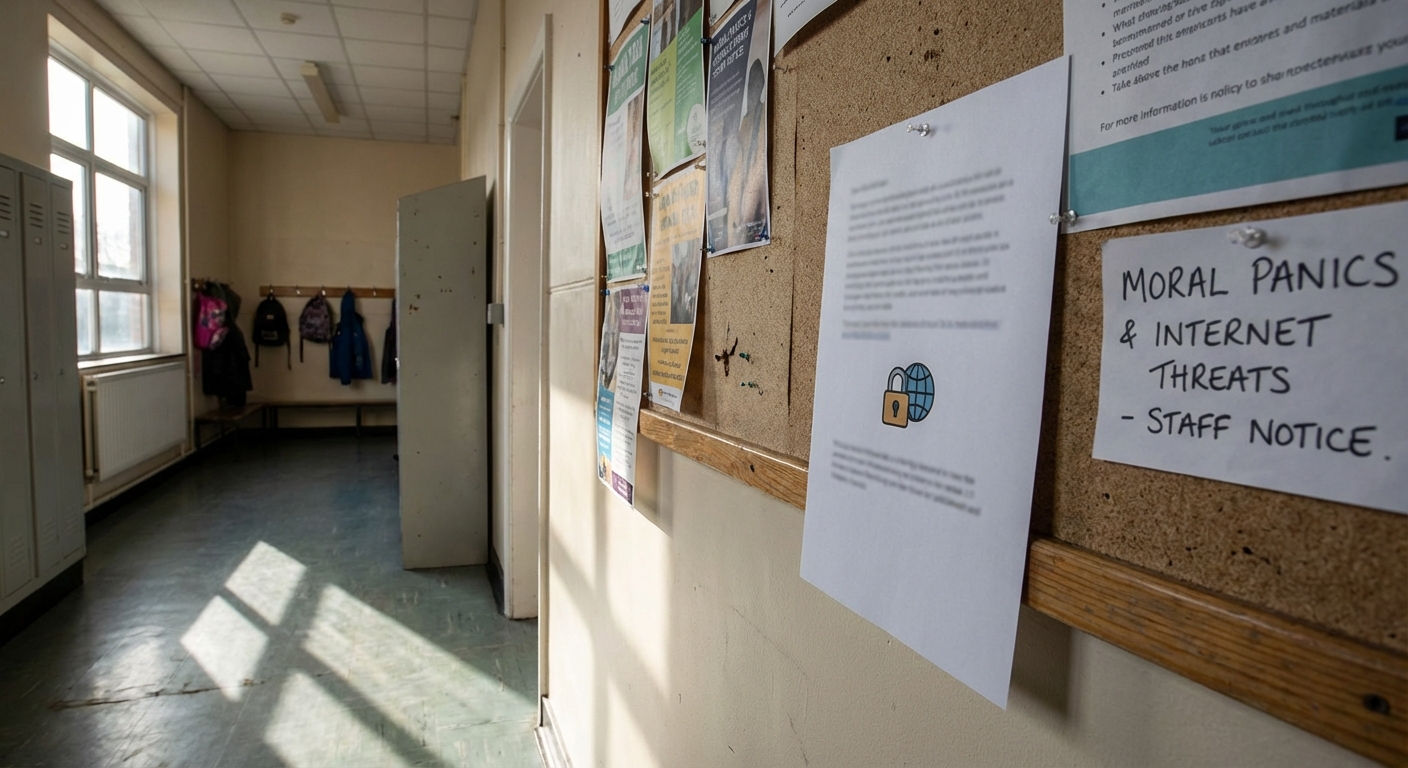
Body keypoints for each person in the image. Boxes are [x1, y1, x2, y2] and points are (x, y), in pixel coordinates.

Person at [725, 59, 768, 246]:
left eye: (756, 84)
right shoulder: (746, 119)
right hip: (740, 184)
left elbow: (761, 157)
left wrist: (752, 190)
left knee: (749, 220)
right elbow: (739, 158)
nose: (752, 89)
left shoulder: (763, 112)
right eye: (750, 85)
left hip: (754, 187)